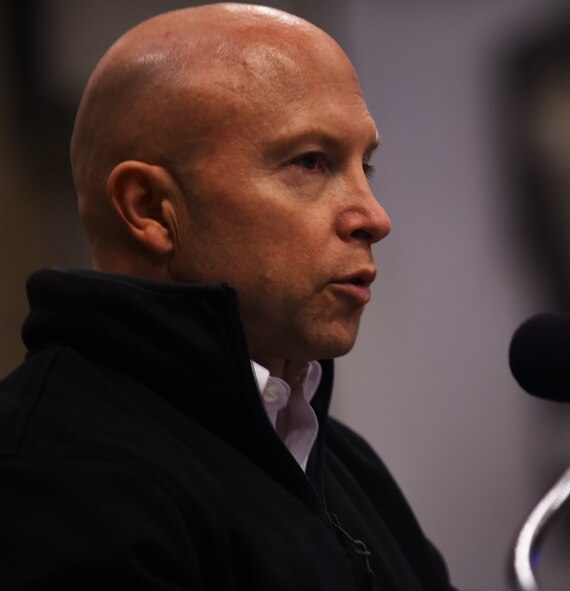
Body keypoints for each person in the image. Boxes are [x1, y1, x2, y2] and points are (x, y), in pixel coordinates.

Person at [0, 3, 456, 590]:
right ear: (149, 209)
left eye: (365, 165)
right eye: (311, 162)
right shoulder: (53, 476)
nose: (374, 216)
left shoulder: (345, 462)